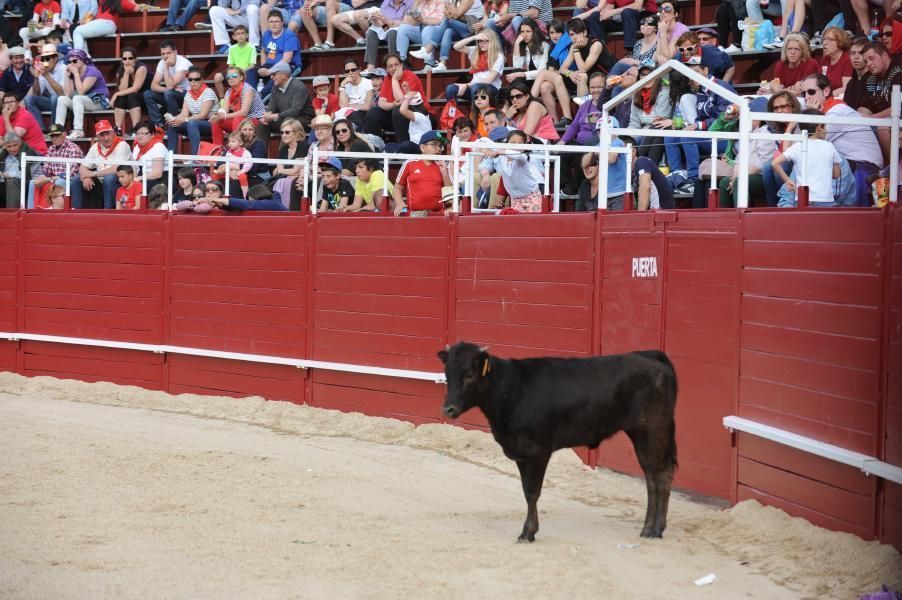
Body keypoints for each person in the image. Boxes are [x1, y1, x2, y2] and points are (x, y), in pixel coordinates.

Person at [802, 72, 884, 205]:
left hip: (863, 167)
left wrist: (812, 115)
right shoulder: (828, 111)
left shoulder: (837, 111)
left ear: (826, 91)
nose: (806, 97)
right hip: (849, 164)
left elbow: (814, 142)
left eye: (811, 92)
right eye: (803, 94)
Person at [773, 109, 842, 207]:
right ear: (819, 127)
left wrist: (788, 181)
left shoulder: (798, 146)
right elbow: (836, 174)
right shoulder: (829, 146)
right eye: (825, 126)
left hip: (802, 198)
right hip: (825, 199)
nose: (826, 130)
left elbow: (775, 163)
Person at [364, 54, 427, 143]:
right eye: (390, 66)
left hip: (419, 115)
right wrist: (392, 104)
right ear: (386, 69)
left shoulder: (410, 75)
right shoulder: (387, 78)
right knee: (373, 113)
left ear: (401, 65)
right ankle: (375, 145)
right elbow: (381, 103)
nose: (394, 68)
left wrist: (394, 80)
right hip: (398, 117)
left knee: (398, 110)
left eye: (396, 65)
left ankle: (403, 148)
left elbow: (402, 101)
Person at [410, 0, 485, 71]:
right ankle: (442, 63)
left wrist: (450, 4)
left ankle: (428, 50)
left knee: (447, 21)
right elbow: (449, 14)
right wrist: (450, 11)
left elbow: (456, 15)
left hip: (472, 28)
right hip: (461, 27)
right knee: (447, 31)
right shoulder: (456, 1)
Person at [392, 129, 451, 216]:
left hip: (438, 215)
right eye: (434, 145)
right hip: (414, 215)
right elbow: (397, 188)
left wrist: (445, 173)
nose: (439, 149)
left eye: (440, 146)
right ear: (422, 147)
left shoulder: (443, 166)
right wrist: (400, 203)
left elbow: (450, 193)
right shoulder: (409, 163)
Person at [54, 48, 109, 140]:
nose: (72, 64)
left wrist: (76, 74)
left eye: (75, 61)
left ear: (82, 60)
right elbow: (67, 94)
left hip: (99, 101)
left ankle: (78, 130)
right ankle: (59, 130)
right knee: (62, 99)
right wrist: (67, 76)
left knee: (77, 97)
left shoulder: (92, 71)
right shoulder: (73, 72)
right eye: (70, 61)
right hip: (83, 101)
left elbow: (81, 91)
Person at [75, 118, 131, 208]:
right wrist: (85, 177)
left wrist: (93, 174)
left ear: (113, 132)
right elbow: (82, 167)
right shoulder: (95, 147)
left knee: (109, 178)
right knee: (77, 179)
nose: (106, 138)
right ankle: (76, 212)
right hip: (100, 181)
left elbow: (117, 168)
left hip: (119, 180)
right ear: (97, 137)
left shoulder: (122, 145)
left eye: (108, 133)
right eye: (102, 135)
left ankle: (107, 211)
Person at [487, 128, 544, 212]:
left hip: (532, 197)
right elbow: (482, 141)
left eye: (520, 143)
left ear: (524, 147)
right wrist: (486, 150)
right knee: (517, 223)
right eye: (513, 143)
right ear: (506, 144)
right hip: (515, 200)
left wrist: (499, 151)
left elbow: (518, 156)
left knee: (532, 223)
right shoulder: (502, 158)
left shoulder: (523, 158)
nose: (516, 146)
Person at [28, 122, 82, 208]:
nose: (55, 138)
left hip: (68, 180)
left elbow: (71, 173)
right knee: (33, 182)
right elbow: (46, 170)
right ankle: (30, 211)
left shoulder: (73, 148)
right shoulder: (51, 149)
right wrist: (42, 177)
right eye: (52, 136)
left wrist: (50, 179)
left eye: (57, 135)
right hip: (53, 178)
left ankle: (55, 211)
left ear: (64, 134)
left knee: (59, 182)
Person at [248, 10, 301, 96]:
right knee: (250, 72)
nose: (274, 24)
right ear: (268, 23)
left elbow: (286, 60)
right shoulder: (267, 34)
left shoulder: (289, 36)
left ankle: (262, 98)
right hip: (270, 66)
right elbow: (264, 52)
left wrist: (269, 71)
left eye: (276, 21)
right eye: (271, 21)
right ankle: (251, 95)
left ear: (282, 23)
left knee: (269, 87)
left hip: (289, 66)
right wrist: (263, 67)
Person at [166, 66, 217, 154]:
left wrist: (184, 119)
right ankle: (171, 157)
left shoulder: (208, 92)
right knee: (172, 125)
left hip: (211, 123)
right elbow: (184, 114)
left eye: (196, 79)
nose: (193, 81)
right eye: (190, 79)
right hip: (195, 123)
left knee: (191, 123)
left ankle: (195, 157)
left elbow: (203, 115)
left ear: (202, 80)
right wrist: (174, 119)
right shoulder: (188, 94)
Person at [210, 66, 265, 146]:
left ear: (241, 77)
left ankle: (236, 148)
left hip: (255, 119)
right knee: (216, 121)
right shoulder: (229, 91)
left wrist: (224, 116)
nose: (231, 78)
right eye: (228, 77)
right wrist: (218, 115)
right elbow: (224, 109)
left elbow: (244, 112)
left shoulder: (248, 90)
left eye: (234, 76)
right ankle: (217, 149)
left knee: (237, 119)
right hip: (241, 119)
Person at [258, 61, 314, 139]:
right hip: (285, 118)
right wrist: (266, 117)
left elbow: (295, 110)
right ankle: (259, 151)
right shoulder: (275, 87)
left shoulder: (299, 87)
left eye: (274, 74)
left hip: (304, 120)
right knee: (263, 123)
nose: (271, 77)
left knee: (288, 123)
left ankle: (283, 151)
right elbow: (272, 108)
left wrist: (275, 115)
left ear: (284, 75)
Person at [143, 40, 191, 129]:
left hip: (187, 97)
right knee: (148, 94)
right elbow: (153, 86)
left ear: (175, 52)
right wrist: (169, 89)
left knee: (169, 93)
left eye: (168, 53)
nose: (165, 56)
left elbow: (170, 85)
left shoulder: (183, 63)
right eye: (163, 54)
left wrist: (166, 67)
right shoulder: (162, 62)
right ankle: (158, 125)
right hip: (172, 94)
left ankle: (173, 123)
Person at [628, 65, 671, 164]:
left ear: (657, 76)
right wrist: (629, 138)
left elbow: (659, 121)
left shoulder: (664, 92)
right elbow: (634, 123)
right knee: (626, 142)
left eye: (650, 74)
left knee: (655, 136)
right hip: (644, 132)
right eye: (643, 75)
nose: (646, 78)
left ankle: (637, 162)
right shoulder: (636, 94)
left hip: (660, 130)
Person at [446, 31, 505, 100]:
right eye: (479, 41)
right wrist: (473, 38)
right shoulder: (476, 51)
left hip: (491, 89)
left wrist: (467, 85)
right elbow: (456, 47)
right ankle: (451, 110)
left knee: (476, 88)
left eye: (485, 41)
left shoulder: (499, 56)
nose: (481, 44)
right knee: (451, 88)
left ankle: (474, 111)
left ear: (492, 42)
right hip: (474, 87)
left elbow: (489, 80)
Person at [72, 0, 150, 51]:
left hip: (103, 23)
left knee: (77, 31)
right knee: (82, 34)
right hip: (109, 25)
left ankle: (79, 56)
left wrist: (85, 20)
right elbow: (137, 7)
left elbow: (93, 11)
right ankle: (84, 58)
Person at [25, 44, 66, 133]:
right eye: (43, 59)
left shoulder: (63, 68)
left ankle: (53, 128)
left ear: (55, 59)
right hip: (52, 102)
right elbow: (37, 94)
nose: (44, 61)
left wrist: (46, 75)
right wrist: (36, 78)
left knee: (55, 97)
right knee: (28, 99)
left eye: (47, 58)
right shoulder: (44, 70)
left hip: (65, 102)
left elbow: (62, 93)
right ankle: (40, 129)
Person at [362, 0, 411, 74]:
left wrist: (388, 22)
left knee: (392, 33)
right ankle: (370, 67)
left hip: (402, 30)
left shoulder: (410, 2)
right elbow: (382, 21)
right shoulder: (386, 2)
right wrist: (376, 20)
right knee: (371, 32)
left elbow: (407, 23)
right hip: (387, 28)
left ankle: (393, 65)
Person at [109, 47, 149, 136]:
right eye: (124, 58)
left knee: (132, 95)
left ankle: (136, 127)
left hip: (147, 96)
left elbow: (136, 88)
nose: (127, 61)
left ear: (135, 59)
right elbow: (122, 90)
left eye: (130, 58)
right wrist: (126, 73)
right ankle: (117, 128)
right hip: (132, 100)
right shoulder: (120, 71)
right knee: (122, 96)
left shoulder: (141, 68)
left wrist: (115, 94)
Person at [625, 137, 673, 210]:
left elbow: (645, 188)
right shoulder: (629, 173)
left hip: (662, 215)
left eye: (621, 151)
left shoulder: (642, 162)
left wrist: (639, 217)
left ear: (633, 151)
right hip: (654, 214)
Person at [271, 117, 307, 209]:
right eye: (282, 132)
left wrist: (283, 171)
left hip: (300, 183)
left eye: (287, 132)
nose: (284, 135)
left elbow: (296, 171)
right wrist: (286, 172)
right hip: (284, 182)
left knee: (284, 181)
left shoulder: (303, 147)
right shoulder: (283, 149)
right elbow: (278, 171)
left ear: (297, 133)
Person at [395, 0, 444, 67]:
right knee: (403, 28)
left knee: (427, 29)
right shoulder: (421, 3)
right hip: (422, 31)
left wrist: (423, 20)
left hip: (436, 33)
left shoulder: (440, 1)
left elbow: (439, 21)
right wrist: (415, 5)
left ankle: (429, 62)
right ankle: (402, 61)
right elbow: (408, 22)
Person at [0, 132, 41, 208]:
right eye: (9, 146)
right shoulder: (3, 155)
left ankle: (12, 215)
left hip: (30, 184)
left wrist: (7, 175)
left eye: (15, 145)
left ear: (20, 143)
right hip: (10, 184)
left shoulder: (30, 152)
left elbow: (24, 175)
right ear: (5, 146)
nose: (12, 149)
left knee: (13, 182)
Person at [507, 19, 549, 84]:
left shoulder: (544, 46)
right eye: (522, 32)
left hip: (540, 80)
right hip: (527, 80)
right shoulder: (522, 46)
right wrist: (516, 44)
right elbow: (517, 68)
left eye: (528, 31)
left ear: (534, 32)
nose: (525, 35)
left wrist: (522, 74)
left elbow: (542, 71)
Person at [213, 130, 253, 197]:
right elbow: (225, 162)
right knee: (216, 175)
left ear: (241, 143)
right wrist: (226, 170)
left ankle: (245, 194)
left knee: (242, 177)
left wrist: (241, 171)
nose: (230, 143)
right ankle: (215, 192)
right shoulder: (228, 152)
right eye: (229, 141)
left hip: (240, 172)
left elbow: (248, 164)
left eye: (233, 141)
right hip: (229, 171)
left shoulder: (245, 153)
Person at [336, 58, 373, 128]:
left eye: (353, 70)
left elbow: (367, 106)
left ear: (359, 70)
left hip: (363, 114)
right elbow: (343, 106)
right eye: (347, 71)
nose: (350, 73)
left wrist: (352, 106)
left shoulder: (368, 83)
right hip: (350, 115)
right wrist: (342, 85)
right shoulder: (346, 85)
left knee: (349, 120)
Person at [131, 120, 166, 190]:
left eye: (144, 133)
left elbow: (157, 173)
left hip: (158, 179)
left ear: (152, 134)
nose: (140, 136)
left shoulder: (158, 146)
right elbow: (134, 167)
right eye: (138, 133)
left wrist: (137, 179)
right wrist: (132, 180)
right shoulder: (137, 147)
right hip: (142, 177)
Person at [653, 0, 689, 65]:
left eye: (667, 9)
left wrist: (663, 33)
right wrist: (658, 57)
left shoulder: (682, 29)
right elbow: (658, 53)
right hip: (668, 66)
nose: (663, 12)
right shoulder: (661, 28)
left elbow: (669, 56)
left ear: (675, 14)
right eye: (660, 9)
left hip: (683, 66)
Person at [818, 26, 852, 94]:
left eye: (829, 39)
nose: (824, 43)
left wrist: (828, 95)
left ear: (840, 41)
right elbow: (819, 83)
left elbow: (846, 88)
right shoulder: (825, 59)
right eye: (824, 39)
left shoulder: (847, 59)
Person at [209, 183, 288, 211]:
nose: (251, 201)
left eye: (252, 200)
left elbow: (248, 204)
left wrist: (220, 200)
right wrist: (222, 205)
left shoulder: (274, 204)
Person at [843, 36, 871, 111]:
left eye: (861, 53)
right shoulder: (851, 83)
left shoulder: (874, 81)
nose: (856, 57)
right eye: (853, 53)